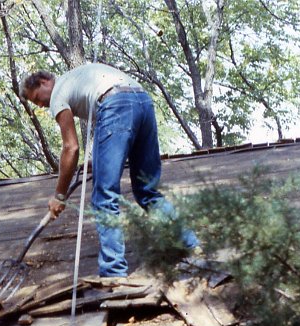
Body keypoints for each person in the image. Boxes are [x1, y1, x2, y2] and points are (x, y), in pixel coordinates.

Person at [20, 64, 197, 277]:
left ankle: (113, 272)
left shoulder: (58, 93)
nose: (41, 105)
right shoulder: (77, 79)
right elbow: (109, 124)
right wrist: (99, 157)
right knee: (147, 190)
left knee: (104, 196)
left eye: (37, 98)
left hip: (116, 105)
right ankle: (190, 245)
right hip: (143, 101)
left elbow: (71, 147)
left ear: (44, 82)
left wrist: (59, 195)